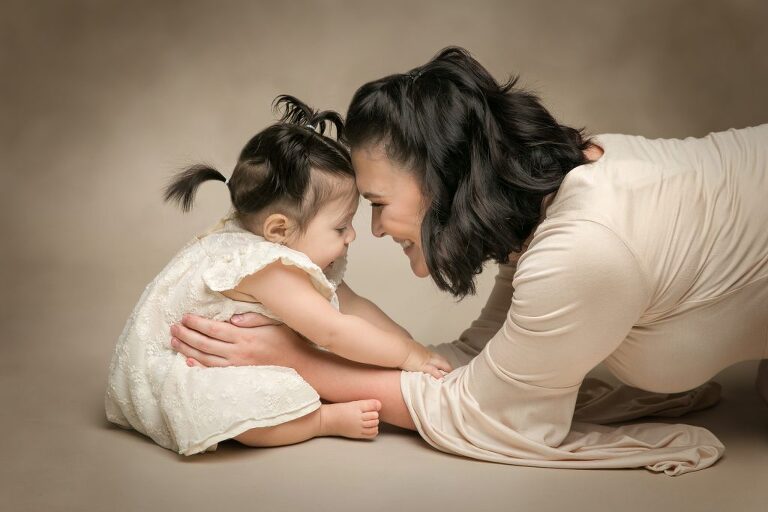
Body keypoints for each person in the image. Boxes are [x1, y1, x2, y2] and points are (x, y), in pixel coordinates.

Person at [170, 48, 768, 475]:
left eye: (378, 204)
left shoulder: (583, 247)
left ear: (446, 181)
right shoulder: (545, 207)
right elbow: (472, 363)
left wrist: (297, 359)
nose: (373, 230)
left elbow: (477, 410)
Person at [105, 95, 451, 455]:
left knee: (332, 353)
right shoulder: (265, 267)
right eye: (341, 227)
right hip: (187, 365)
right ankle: (321, 422)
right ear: (279, 230)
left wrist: (409, 345)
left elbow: (352, 306)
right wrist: (407, 358)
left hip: (241, 348)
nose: (352, 236)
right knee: (258, 404)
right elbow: (333, 331)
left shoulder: (287, 245)